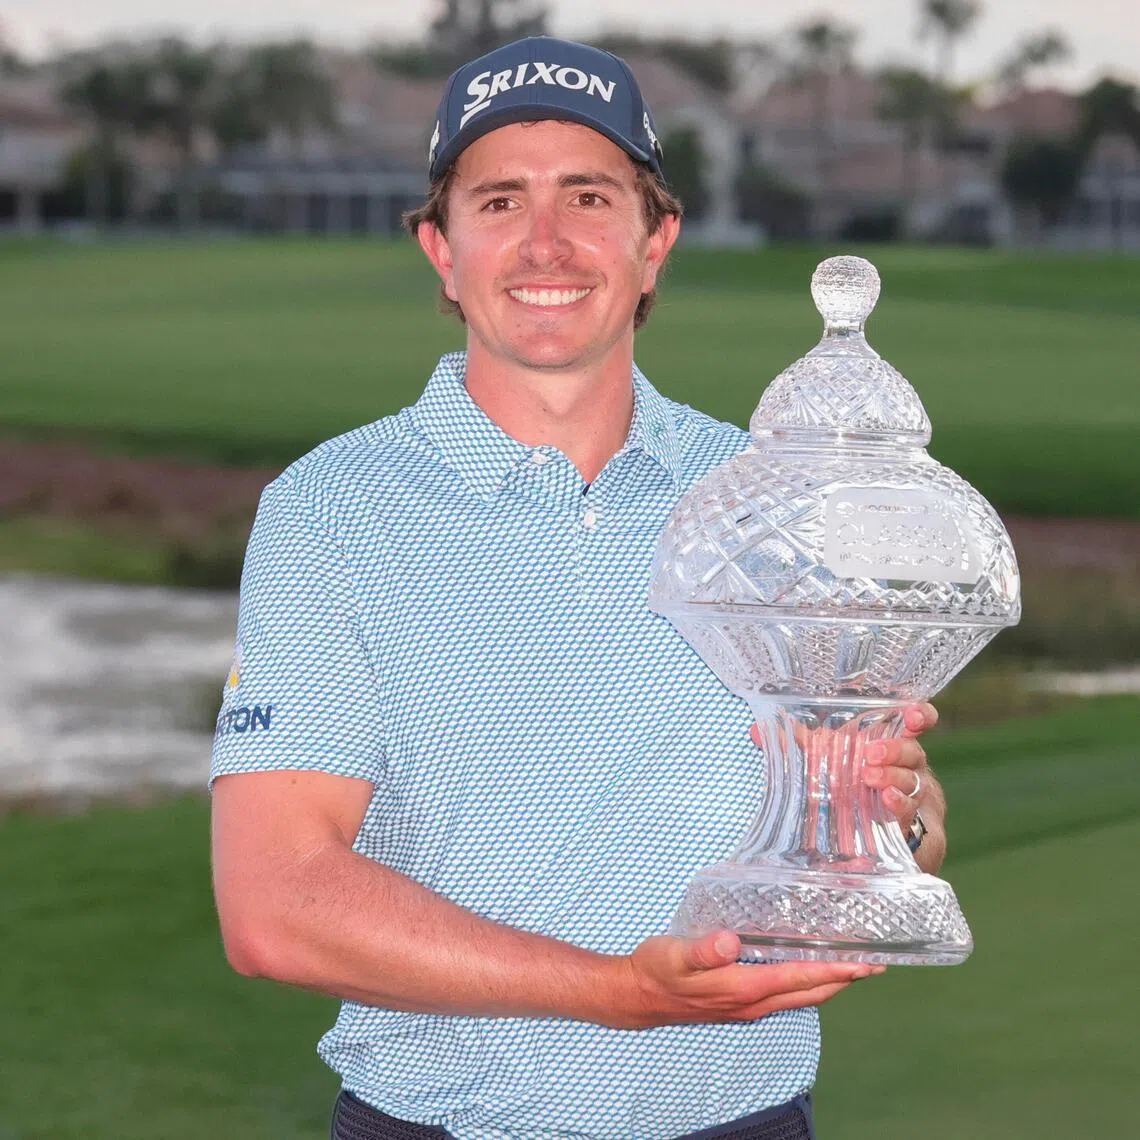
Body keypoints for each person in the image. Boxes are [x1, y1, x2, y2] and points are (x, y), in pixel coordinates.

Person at [210, 36, 948, 1140]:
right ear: (439, 248)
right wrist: (617, 993)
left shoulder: (776, 501)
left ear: (656, 242)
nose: (545, 242)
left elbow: (901, 830)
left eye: (590, 197)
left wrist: (900, 810)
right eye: (499, 200)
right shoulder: (330, 511)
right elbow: (273, 907)